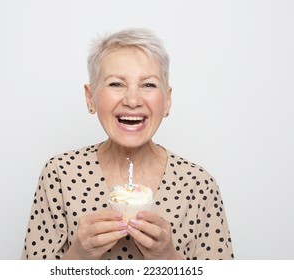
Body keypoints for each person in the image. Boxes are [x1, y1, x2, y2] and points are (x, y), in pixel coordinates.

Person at [21, 28, 234, 260]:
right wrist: (78, 256)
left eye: (149, 85)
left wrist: (169, 259)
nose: (132, 100)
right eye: (116, 84)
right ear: (90, 97)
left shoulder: (199, 186)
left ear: (167, 101)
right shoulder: (60, 174)